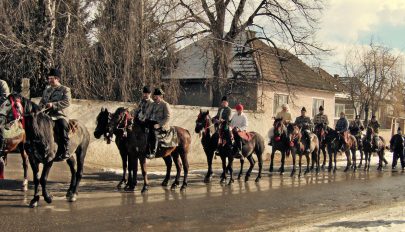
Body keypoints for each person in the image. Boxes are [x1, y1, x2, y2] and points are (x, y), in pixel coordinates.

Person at [39, 68, 72, 160]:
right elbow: (41, 102)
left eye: (51, 78)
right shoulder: (46, 90)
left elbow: (67, 102)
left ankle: (66, 149)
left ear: (57, 79)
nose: (49, 80)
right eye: (49, 78)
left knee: (62, 125)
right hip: (47, 115)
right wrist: (40, 107)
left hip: (59, 115)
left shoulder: (65, 89)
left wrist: (53, 105)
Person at [145, 88, 171, 159]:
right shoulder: (152, 104)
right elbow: (147, 113)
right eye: (154, 96)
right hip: (151, 122)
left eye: (157, 96)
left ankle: (153, 152)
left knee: (153, 133)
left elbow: (168, 117)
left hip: (160, 124)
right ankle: (145, 149)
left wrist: (159, 124)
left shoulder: (165, 105)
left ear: (161, 96)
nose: (155, 97)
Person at [0, 79, 10, 156]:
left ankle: (1, 148)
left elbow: (5, 97)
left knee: (0, 125)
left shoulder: (2, 83)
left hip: (3, 107)